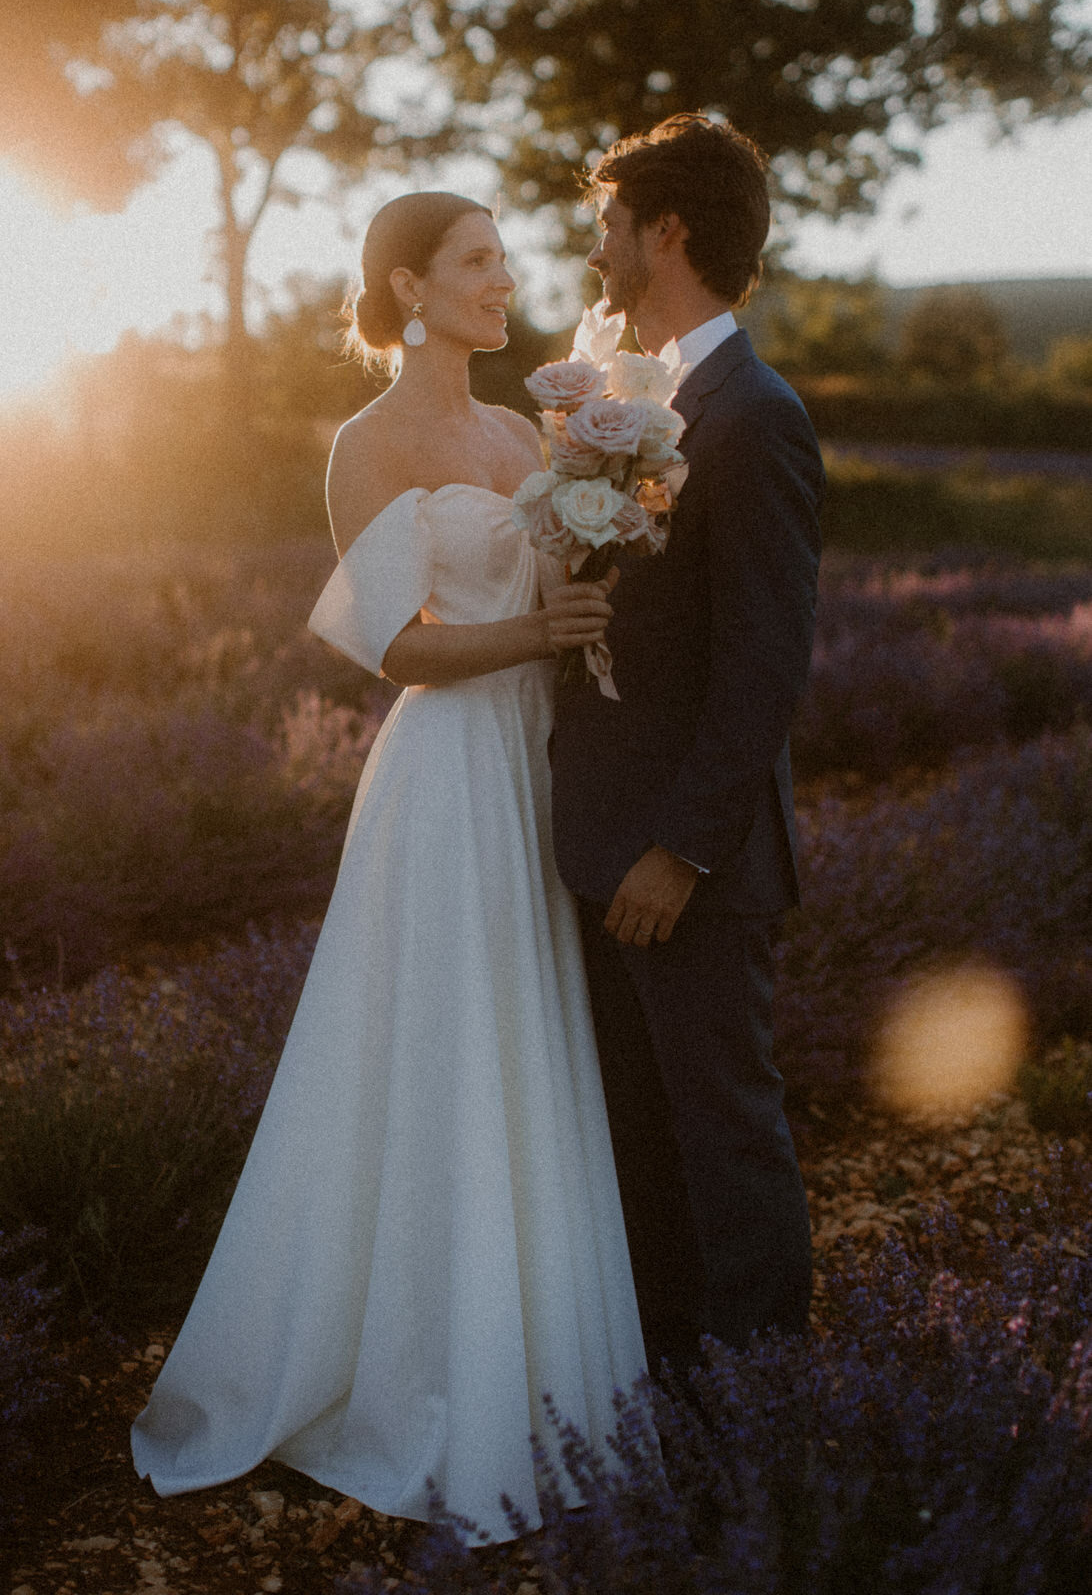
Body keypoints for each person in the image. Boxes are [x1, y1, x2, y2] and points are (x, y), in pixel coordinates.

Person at [131, 192, 647, 1544]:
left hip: (541, 762)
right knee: (447, 1050)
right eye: (476, 261)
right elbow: (394, 647)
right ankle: (421, 1378)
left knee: (539, 1041)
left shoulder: (527, 430)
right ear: (409, 289)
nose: (504, 278)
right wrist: (540, 632)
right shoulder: (369, 444)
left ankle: (533, 1364)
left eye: (502, 259)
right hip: (450, 774)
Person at [548, 116, 824, 1367]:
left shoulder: (753, 416)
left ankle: (760, 1418)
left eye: (608, 224)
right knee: (638, 1146)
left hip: (685, 870)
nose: (594, 248)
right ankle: (670, 1404)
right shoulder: (633, 405)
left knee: (724, 1142)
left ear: (666, 231)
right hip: (602, 847)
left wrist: (681, 851)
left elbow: (763, 663)